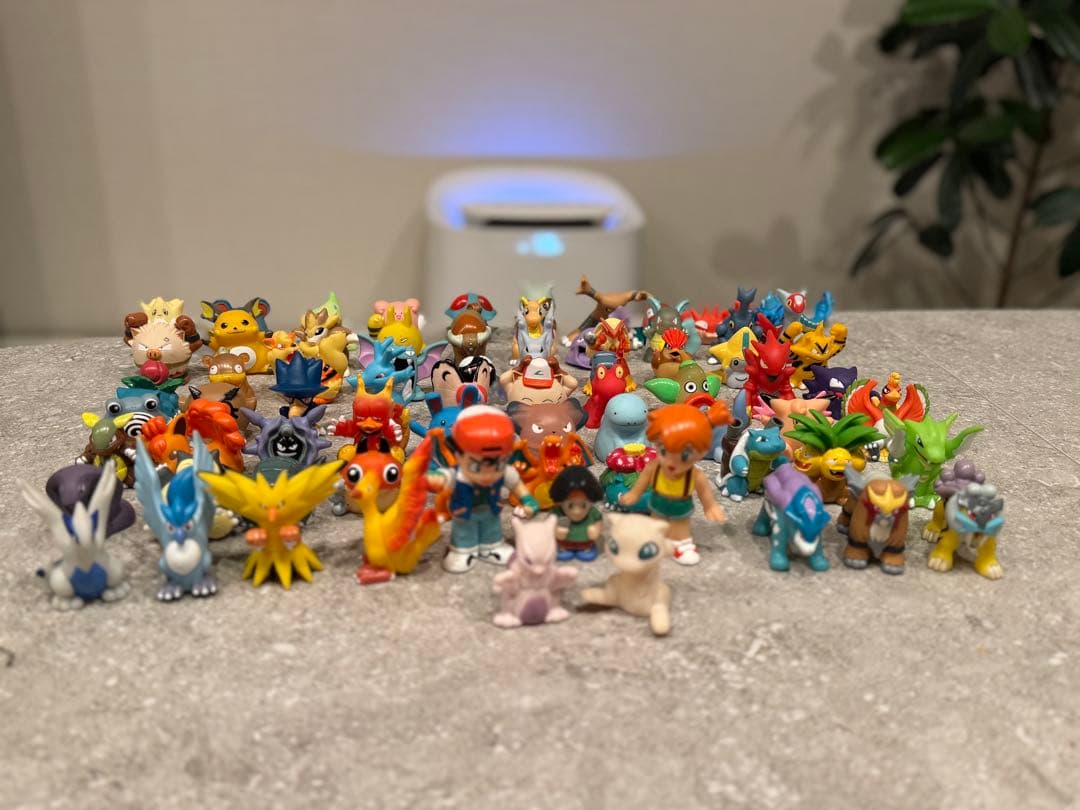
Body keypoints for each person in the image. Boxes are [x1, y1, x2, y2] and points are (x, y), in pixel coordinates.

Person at [619, 401, 730, 566]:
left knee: (680, 528)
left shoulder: (695, 475)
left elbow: (704, 492)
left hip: (681, 505)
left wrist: (710, 507)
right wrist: (634, 494)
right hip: (658, 501)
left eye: (684, 456)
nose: (671, 463)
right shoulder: (654, 467)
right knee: (656, 524)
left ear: (701, 452)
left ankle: (681, 546)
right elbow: (643, 480)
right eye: (664, 451)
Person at [432, 406, 539, 573]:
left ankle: (491, 547)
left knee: (492, 530)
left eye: (498, 465)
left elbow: (518, 486)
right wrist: (430, 480)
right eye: (476, 466)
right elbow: (440, 478)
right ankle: (463, 550)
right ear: (458, 455)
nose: (488, 475)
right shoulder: (457, 475)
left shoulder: (505, 472)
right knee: (464, 533)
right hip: (464, 514)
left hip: (491, 511)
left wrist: (528, 501)